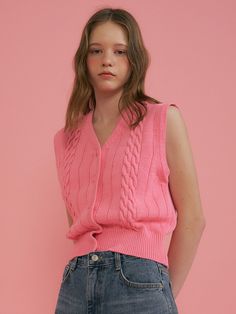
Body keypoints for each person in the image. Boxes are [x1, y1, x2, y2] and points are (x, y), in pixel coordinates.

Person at [53, 7, 206, 314]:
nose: (107, 59)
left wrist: (162, 290)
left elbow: (193, 218)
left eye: (119, 51)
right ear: (84, 60)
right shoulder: (65, 139)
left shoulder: (163, 120)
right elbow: (78, 222)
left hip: (140, 280)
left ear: (134, 60)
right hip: (75, 284)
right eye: (96, 50)